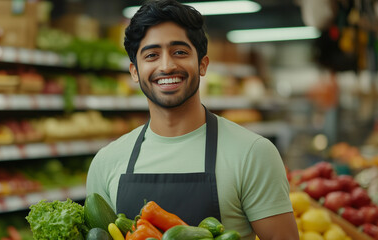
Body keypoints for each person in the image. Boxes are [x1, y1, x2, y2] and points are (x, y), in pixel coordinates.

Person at [86, 0, 299, 239]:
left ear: (202, 64)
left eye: (180, 52)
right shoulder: (106, 162)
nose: (166, 66)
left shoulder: (253, 154)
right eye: (152, 55)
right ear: (135, 71)